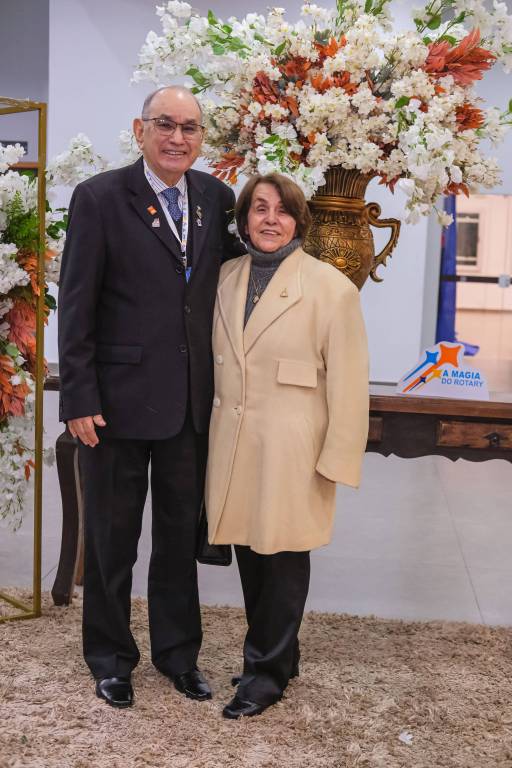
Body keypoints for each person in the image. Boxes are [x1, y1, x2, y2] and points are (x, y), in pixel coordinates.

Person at [58, 86, 242, 708]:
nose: (177, 138)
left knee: (177, 539)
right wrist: (78, 396)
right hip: (114, 404)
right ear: (140, 130)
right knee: (112, 540)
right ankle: (110, 659)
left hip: (190, 405)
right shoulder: (100, 198)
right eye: (166, 124)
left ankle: (178, 655)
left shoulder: (216, 199)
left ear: (201, 138)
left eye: (190, 128)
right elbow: (76, 304)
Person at [205, 173, 369, 719]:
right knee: (252, 554)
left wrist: (337, 459)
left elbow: (350, 382)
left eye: (282, 210)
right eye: (259, 208)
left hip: (294, 450)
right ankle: (281, 656)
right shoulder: (225, 277)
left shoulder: (331, 288)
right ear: (244, 219)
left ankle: (265, 675)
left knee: (282, 560)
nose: (270, 219)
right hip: (235, 442)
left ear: (299, 221)